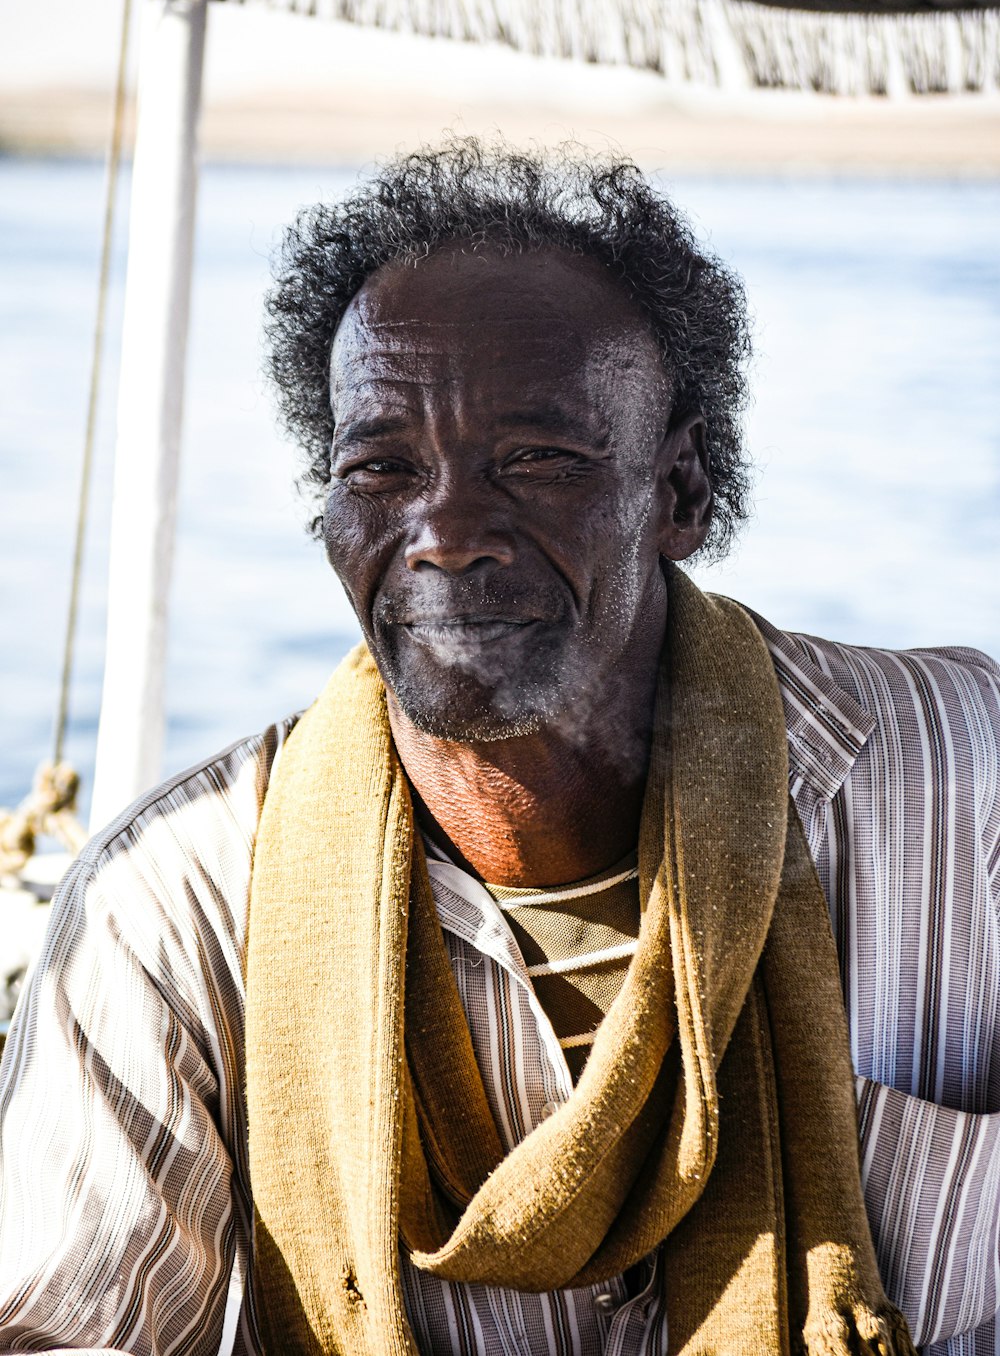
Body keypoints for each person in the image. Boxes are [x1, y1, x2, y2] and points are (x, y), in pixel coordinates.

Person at [1, 139, 998, 1356]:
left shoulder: (960, 777)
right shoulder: (171, 909)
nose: (446, 534)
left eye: (536, 460)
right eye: (382, 467)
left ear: (679, 491)